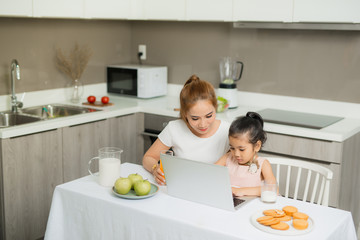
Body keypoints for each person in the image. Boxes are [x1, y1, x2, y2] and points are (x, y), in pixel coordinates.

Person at [143, 74, 230, 185]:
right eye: (195, 118)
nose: (203, 124)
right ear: (184, 114)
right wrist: (155, 169)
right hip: (183, 186)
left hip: (215, 186)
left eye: (209, 116)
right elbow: (148, 157)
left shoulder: (227, 130)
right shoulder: (174, 128)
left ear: (215, 108)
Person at [215, 112, 276, 197]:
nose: (236, 154)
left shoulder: (263, 164)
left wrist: (241, 191)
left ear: (257, 146)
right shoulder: (228, 158)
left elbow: (273, 190)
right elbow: (210, 173)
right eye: (232, 148)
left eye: (241, 149)